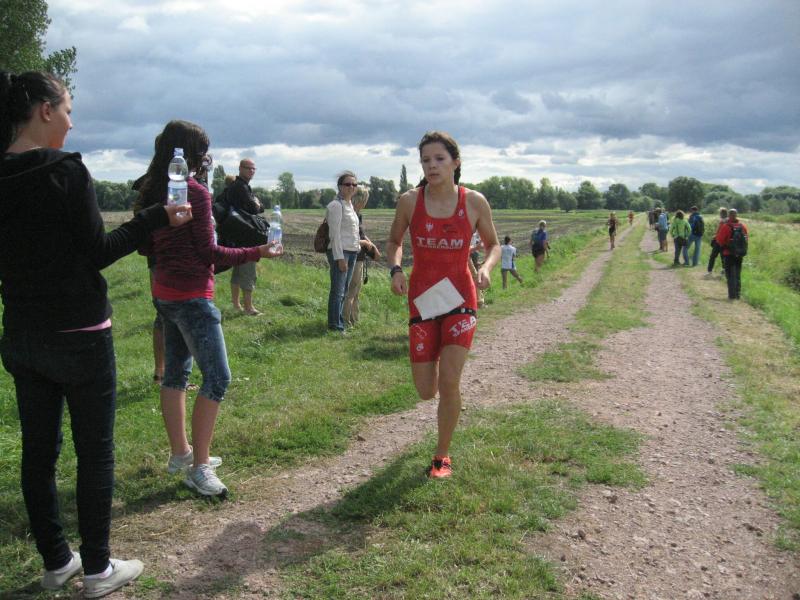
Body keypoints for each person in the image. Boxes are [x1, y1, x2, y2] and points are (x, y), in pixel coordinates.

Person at [0, 71, 193, 596]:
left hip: (22, 335)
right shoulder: (66, 170)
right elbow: (99, 252)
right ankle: (98, 570)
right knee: (95, 453)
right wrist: (155, 218)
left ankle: (57, 563)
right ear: (44, 110)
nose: (70, 121)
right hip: (80, 334)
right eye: (67, 109)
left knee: (38, 454)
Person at [137, 120, 282, 498]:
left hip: (164, 293)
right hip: (192, 298)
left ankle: (181, 453)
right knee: (217, 378)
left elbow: (145, 246)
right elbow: (210, 253)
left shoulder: (155, 190)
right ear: (193, 154)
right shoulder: (195, 193)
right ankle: (199, 468)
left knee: (175, 373)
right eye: (203, 151)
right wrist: (258, 251)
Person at [386, 130, 500, 479]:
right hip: (423, 300)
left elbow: (493, 244)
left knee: (450, 381)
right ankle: (434, 357)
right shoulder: (409, 202)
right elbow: (394, 241)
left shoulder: (474, 202)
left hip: (460, 298)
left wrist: (486, 268)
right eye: (425, 160)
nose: (431, 166)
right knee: (426, 391)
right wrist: (395, 269)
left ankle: (441, 457)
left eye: (439, 159)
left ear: (455, 163)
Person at [226, 158, 264, 315]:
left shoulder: (238, 185)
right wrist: (257, 204)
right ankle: (249, 308)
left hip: (237, 234)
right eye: (248, 168)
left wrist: (257, 205)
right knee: (248, 271)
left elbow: (258, 206)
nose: (252, 171)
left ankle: (236, 305)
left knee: (237, 271)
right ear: (240, 168)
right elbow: (255, 208)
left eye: (254, 168)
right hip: (246, 235)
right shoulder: (241, 187)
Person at [326, 171, 361, 331]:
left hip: (352, 252)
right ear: (340, 186)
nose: (351, 187)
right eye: (348, 184)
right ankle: (335, 325)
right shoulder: (336, 205)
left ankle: (338, 322)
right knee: (338, 291)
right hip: (341, 252)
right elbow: (334, 235)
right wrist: (340, 258)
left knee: (344, 290)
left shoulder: (350, 205)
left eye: (354, 184)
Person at [343, 187, 380, 326]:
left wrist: (371, 245)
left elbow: (360, 234)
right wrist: (365, 243)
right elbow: (346, 238)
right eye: (365, 200)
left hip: (359, 256)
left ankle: (354, 320)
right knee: (351, 290)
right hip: (352, 256)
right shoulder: (348, 214)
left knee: (356, 291)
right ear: (359, 199)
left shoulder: (357, 215)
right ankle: (345, 321)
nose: (365, 203)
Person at [714, 208, 749, 300]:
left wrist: (725, 245)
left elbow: (719, 240)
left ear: (729, 215)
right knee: (737, 274)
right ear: (736, 215)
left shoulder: (726, 226)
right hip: (739, 254)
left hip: (728, 253)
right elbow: (746, 239)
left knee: (729, 275)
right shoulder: (743, 226)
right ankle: (738, 295)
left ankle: (732, 295)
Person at [706, 207, 728, 276]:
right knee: (722, 257)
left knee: (713, 256)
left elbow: (721, 232)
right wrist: (715, 236)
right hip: (720, 242)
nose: (719, 214)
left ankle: (710, 271)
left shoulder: (724, 222)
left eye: (720, 213)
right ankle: (723, 271)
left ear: (722, 213)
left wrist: (716, 236)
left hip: (720, 242)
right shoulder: (725, 221)